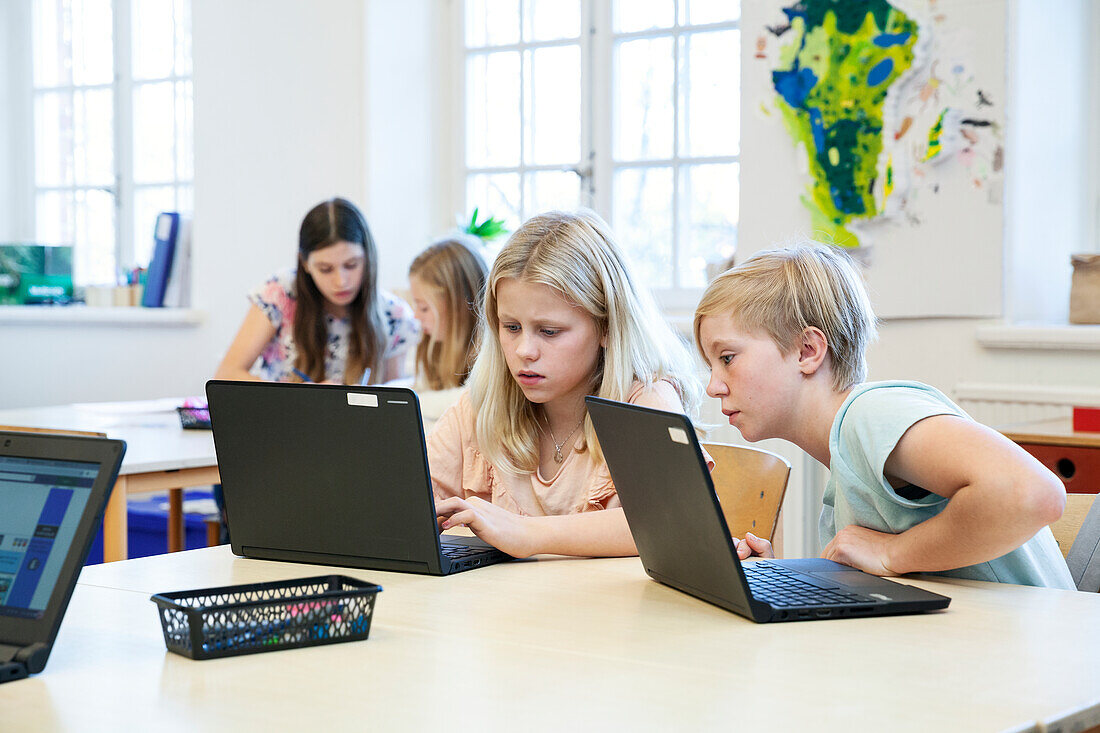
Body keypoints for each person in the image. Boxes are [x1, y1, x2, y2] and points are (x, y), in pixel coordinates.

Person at [693, 242, 1074, 588]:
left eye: (727, 358)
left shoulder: (871, 414)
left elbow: (1033, 494)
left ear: (807, 351)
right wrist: (782, 579)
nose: (714, 386)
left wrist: (893, 552)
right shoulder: (844, 468)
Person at [428, 209, 705, 558]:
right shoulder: (481, 406)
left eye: (549, 331)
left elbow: (673, 523)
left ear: (607, 327)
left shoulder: (647, 401)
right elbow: (409, 501)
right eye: (511, 327)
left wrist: (527, 534)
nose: (525, 351)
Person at [216, 197, 419, 384]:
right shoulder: (280, 293)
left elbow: (391, 404)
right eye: (325, 269)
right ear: (305, 263)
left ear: (368, 258)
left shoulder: (394, 315)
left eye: (351, 265)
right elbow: (227, 376)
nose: (341, 281)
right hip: (283, 421)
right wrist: (303, 399)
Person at [407, 235, 489, 424]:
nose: (416, 316)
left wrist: (407, 402)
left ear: (457, 306)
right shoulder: (432, 346)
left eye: (424, 307)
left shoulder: (492, 352)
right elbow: (419, 388)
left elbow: (471, 400)